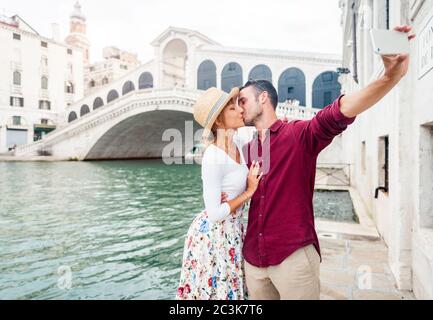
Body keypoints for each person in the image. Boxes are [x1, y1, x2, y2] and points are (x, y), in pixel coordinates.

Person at [237, 25, 415, 300]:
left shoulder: (299, 135)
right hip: (253, 261)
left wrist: (389, 78)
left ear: (263, 98)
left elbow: (339, 112)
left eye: (243, 100)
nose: (239, 107)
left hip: (293, 260)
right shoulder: (246, 149)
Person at [176, 87, 263, 300]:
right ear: (219, 122)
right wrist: (249, 191)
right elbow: (214, 213)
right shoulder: (212, 156)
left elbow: (262, 135)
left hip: (233, 230)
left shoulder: (238, 143)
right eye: (233, 108)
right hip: (214, 236)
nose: (240, 110)